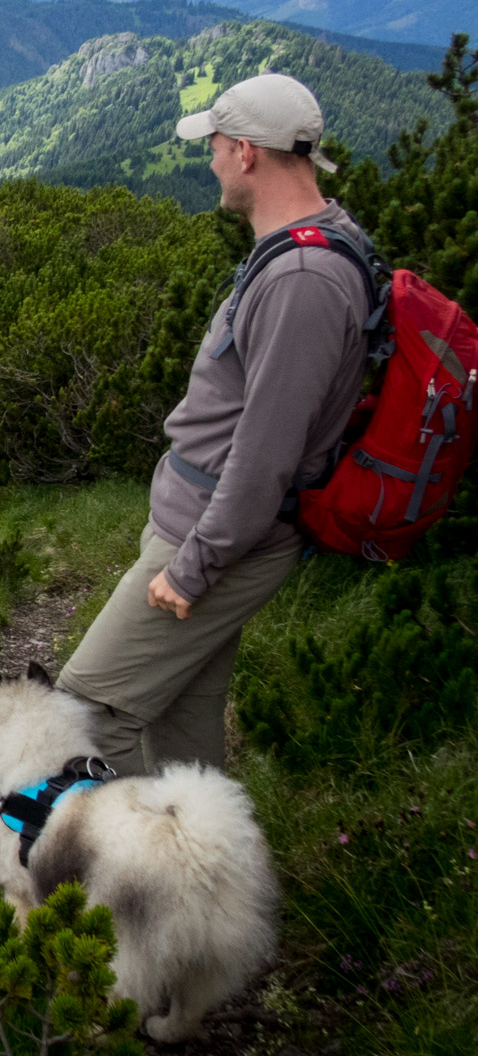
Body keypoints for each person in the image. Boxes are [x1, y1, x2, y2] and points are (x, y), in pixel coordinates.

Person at [56, 73, 372, 776]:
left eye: (217, 147)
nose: (210, 162)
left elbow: (266, 457)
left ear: (248, 153)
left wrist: (193, 568)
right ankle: (203, 877)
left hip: (212, 539)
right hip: (198, 523)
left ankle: (122, 880)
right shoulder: (305, 249)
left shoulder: (303, 281)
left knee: (80, 716)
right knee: (180, 723)